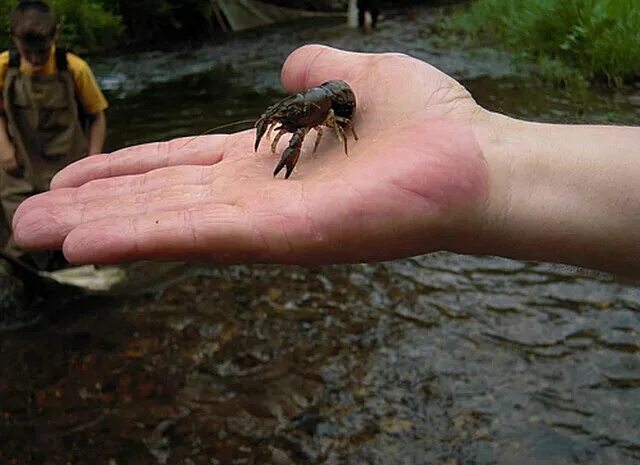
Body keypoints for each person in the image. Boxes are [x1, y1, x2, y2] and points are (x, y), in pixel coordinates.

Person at [8, 44, 640, 279]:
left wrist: (338, 122)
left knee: (313, 136)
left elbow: (325, 126)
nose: (284, 124)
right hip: (325, 105)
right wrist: (283, 126)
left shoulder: (332, 109)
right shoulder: (294, 112)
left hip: (341, 105)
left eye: (293, 119)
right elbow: (288, 124)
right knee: (283, 129)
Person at [0, 0, 108, 265]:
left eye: (42, 52)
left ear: (56, 35)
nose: (35, 59)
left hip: (66, 162)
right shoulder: (3, 67)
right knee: (21, 224)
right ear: (14, 39)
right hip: (20, 164)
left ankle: (79, 265)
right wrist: (4, 148)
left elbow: (98, 117)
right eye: (28, 53)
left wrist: (92, 160)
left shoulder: (74, 69)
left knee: (72, 225)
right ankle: (25, 269)